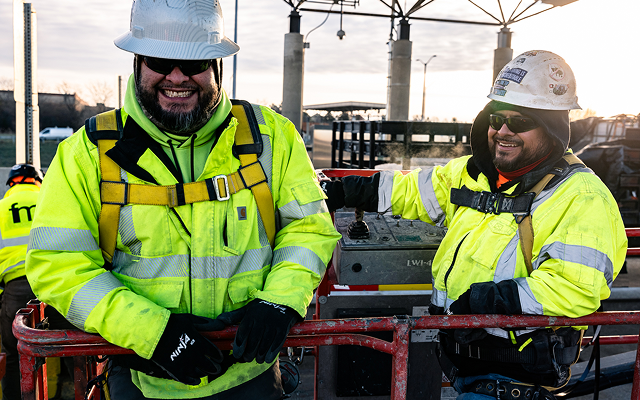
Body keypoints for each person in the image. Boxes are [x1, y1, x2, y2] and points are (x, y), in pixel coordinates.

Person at [25, 1, 340, 399]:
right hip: (143, 378)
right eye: (160, 59)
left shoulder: (273, 138)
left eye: (194, 62)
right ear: (138, 61)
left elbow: (309, 228)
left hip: (251, 378)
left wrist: (280, 302)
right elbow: (59, 264)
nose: (177, 76)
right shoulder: (86, 154)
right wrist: (152, 334)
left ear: (217, 65)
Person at [324, 50, 627, 399]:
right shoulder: (475, 174)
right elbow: (414, 190)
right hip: (461, 362)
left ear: (552, 129)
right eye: (496, 118)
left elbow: (576, 287)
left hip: (514, 376)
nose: (503, 131)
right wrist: (349, 189)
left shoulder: (580, 197)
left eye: (521, 121)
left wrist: (499, 298)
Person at [0, 164, 43, 400]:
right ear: (37, 181)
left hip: (16, 287)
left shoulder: (1, 209)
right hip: (58, 285)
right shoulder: (52, 200)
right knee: (72, 350)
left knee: (14, 354)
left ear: (11, 185)